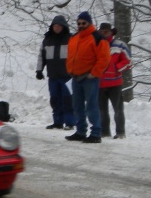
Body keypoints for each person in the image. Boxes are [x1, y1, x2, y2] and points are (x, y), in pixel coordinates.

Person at [65, 11, 110, 143]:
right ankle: (80, 131)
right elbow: (70, 56)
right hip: (76, 77)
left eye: (83, 23)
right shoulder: (74, 38)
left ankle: (96, 133)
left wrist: (94, 73)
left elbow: (104, 59)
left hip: (90, 78)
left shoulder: (97, 38)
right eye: (79, 23)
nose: (81, 25)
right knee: (77, 106)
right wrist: (69, 70)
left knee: (91, 106)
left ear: (89, 23)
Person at [36, 15, 76, 129]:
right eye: (55, 26)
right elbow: (41, 56)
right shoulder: (47, 40)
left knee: (68, 99)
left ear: (64, 27)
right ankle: (58, 121)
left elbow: (76, 56)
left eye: (59, 26)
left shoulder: (70, 39)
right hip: (53, 75)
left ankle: (70, 122)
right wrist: (39, 70)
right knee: (55, 99)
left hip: (68, 76)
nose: (57, 28)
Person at [98, 23, 132, 139]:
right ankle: (104, 131)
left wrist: (117, 68)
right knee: (102, 110)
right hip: (99, 83)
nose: (103, 34)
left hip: (115, 83)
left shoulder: (120, 45)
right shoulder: (95, 45)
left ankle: (120, 132)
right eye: (101, 32)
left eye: (106, 32)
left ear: (111, 32)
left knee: (118, 109)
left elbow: (128, 61)